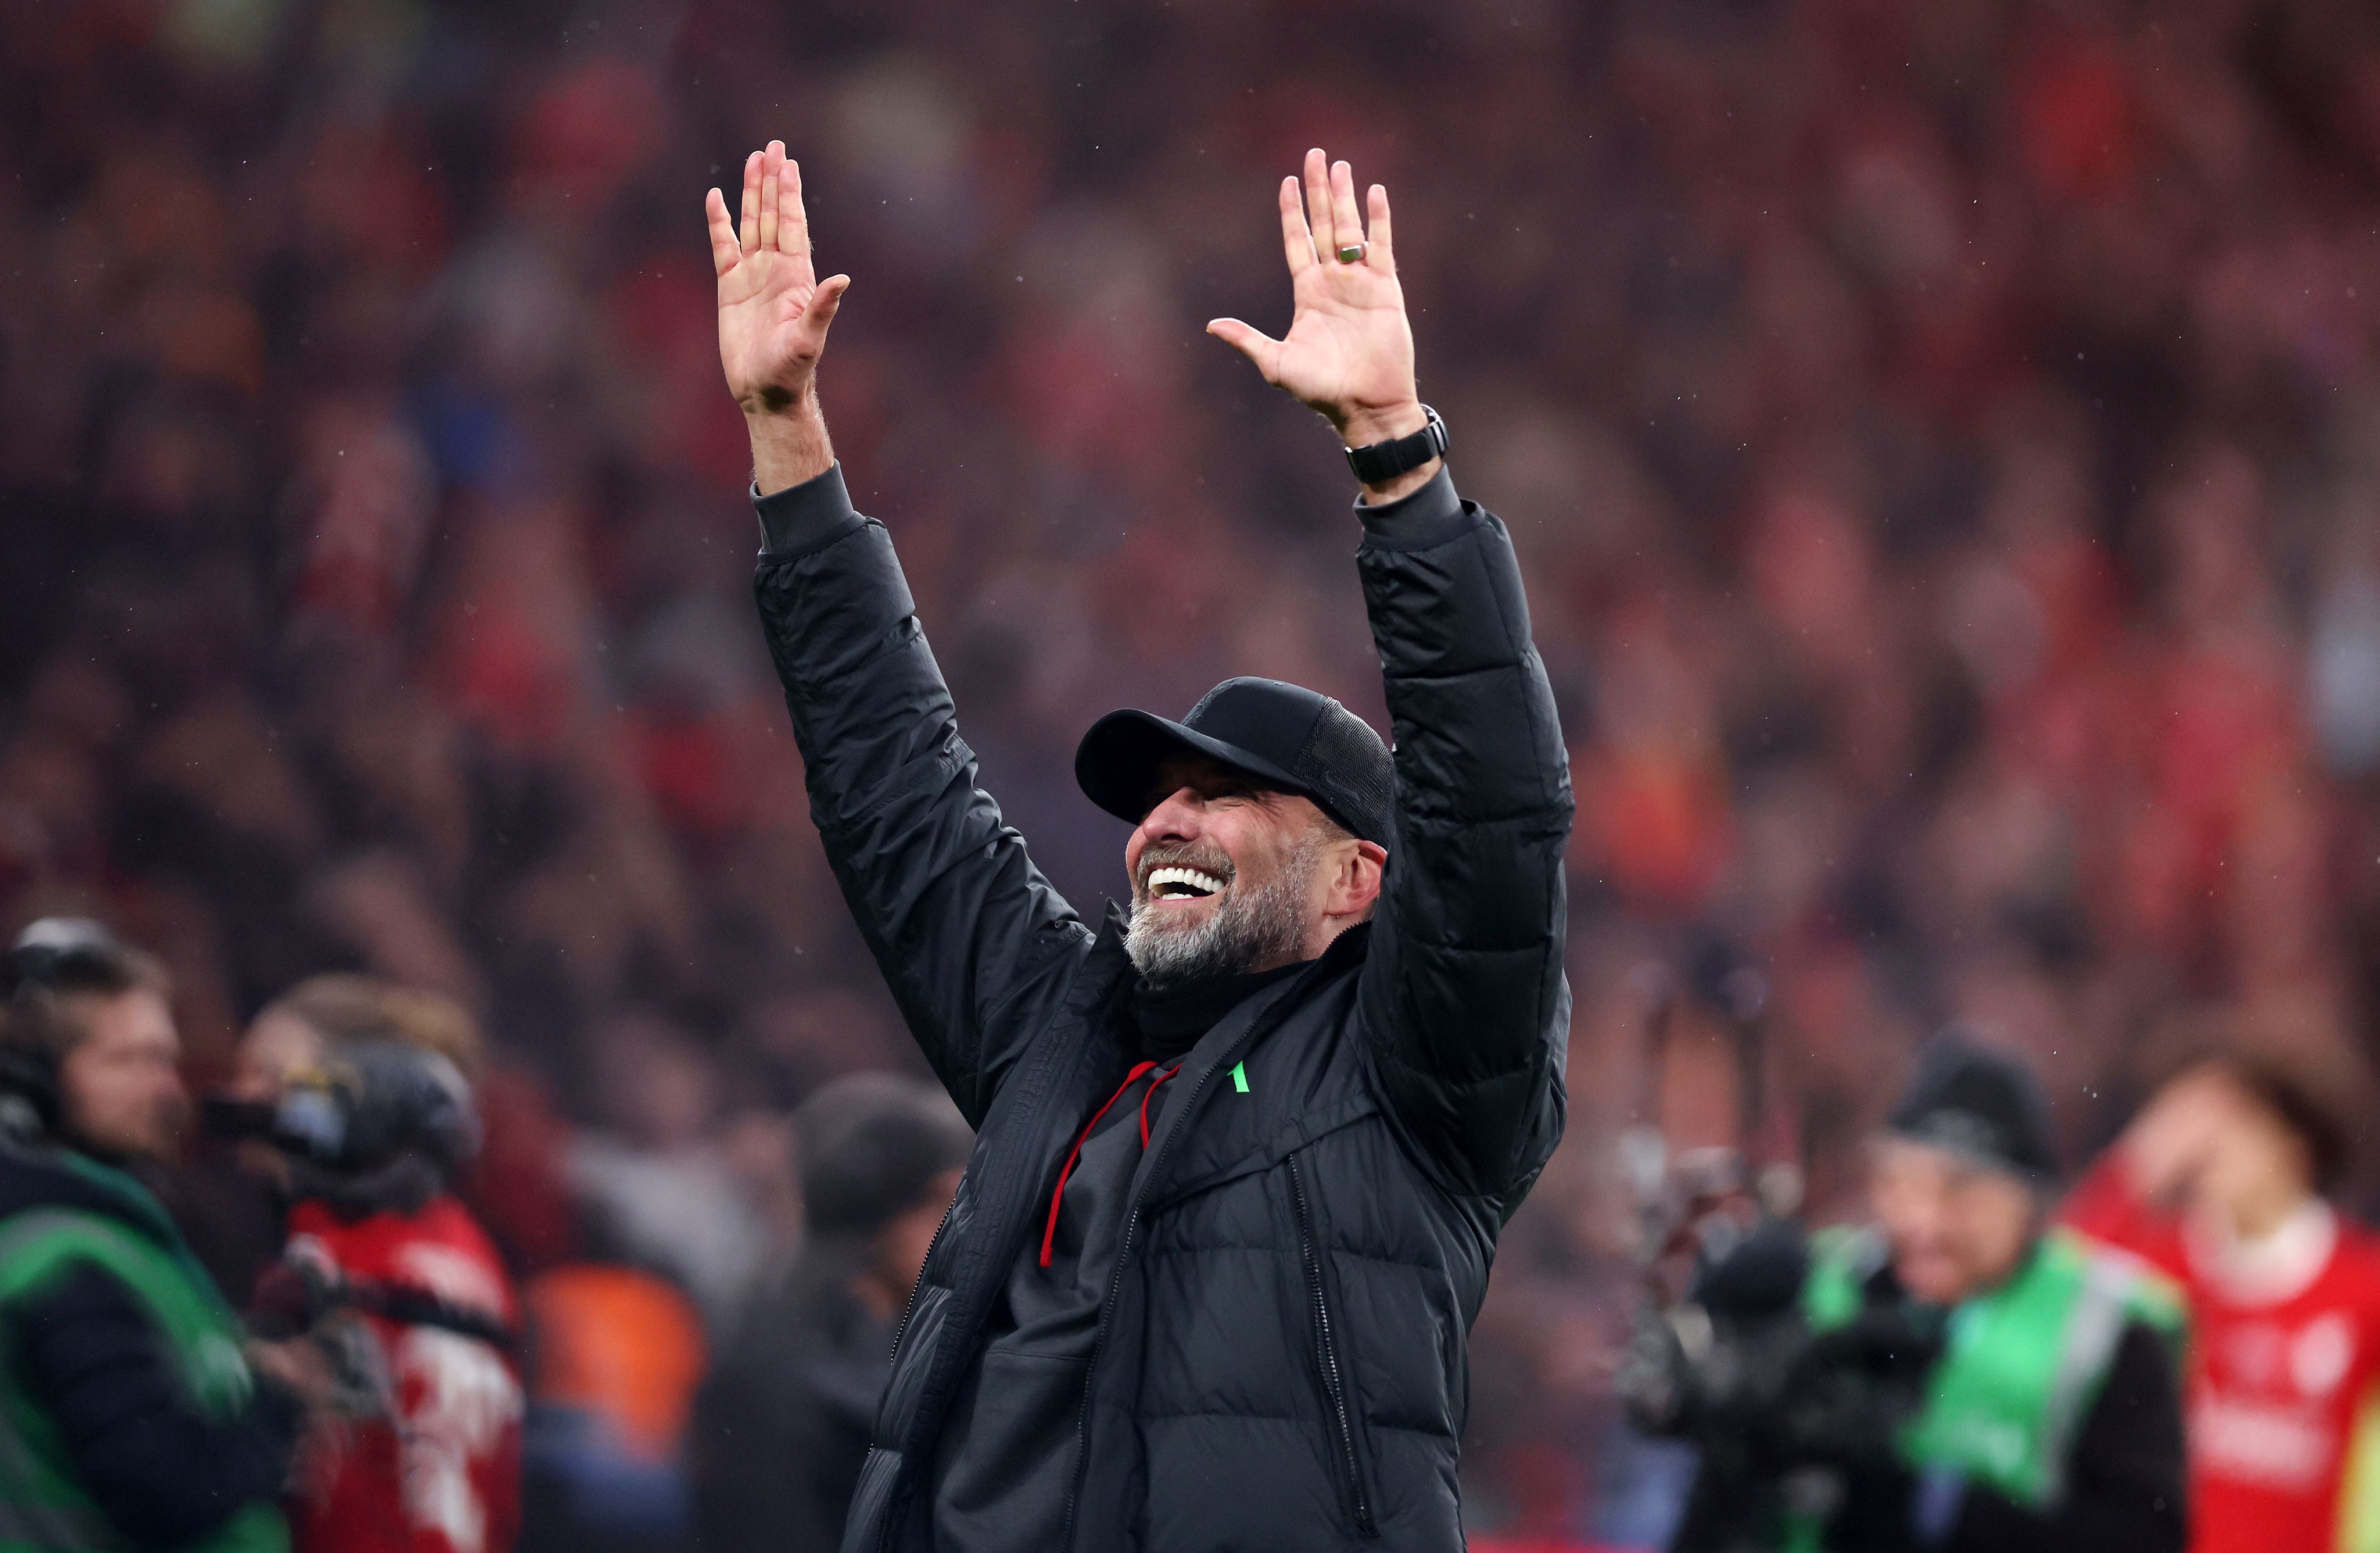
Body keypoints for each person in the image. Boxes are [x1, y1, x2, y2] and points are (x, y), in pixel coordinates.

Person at [707, 140, 1572, 1551]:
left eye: (1224, 797)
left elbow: (1494, 812)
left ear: (1362, 877)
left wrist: (1396, 457)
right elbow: (895, 795)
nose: (1162, 820)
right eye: (1155, 797)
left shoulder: (1416, 1078)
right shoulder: (1069, 1035)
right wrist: (787, 434)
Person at [1650, 1035, 2188, 1552]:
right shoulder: (1823, 1282)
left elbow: (2145, 1536)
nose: (1925, 1221)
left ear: (2031, 1202)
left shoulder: (2104, 1327)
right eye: (1901, 1183)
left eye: (1961, 1190)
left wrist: (1935, 1499)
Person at [0, 918, 314, 1553]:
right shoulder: (57, 1260)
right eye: (131, 1060)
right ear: (35, 1082)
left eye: (167, 1060)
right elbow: (165, 1491)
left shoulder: (116, 1234)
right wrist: (281, 1400)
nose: (169, 1088)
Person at [228, 976, 525, 1553]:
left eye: (275, 1076)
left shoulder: (348, 1249)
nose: (243, 1096)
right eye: (244, 1071)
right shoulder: (444, 1238)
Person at [2063, 1030, 2380, 1553]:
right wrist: (2137, 1164)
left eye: (2239, 1124)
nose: (2212, 1144)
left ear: (2293, 1147)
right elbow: (2051, 1298)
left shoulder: (2361, 1288)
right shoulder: (2162, 1270)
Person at [689, 1073, 972, 1553]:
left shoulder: (896, 1332)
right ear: (893, 1217)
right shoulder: (779, 1372)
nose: (964, 1226)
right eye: (948, 1203)